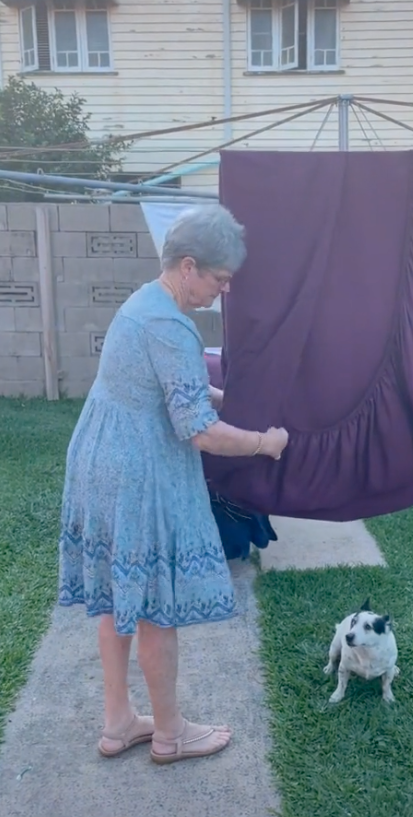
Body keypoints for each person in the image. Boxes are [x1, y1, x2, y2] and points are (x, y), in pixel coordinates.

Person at [58, 204, 289, 765]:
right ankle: (170, 733)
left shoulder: (144, 302)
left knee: (117, 596)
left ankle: (118, 723)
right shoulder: (171, 326)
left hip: (100, 465)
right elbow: (201, 435)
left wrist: (220, 397)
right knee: (157, 603)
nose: (224, 290)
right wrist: (264, 442)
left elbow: (166, 387)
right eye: (219, 278)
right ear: (189, 267)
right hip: (137, 476)